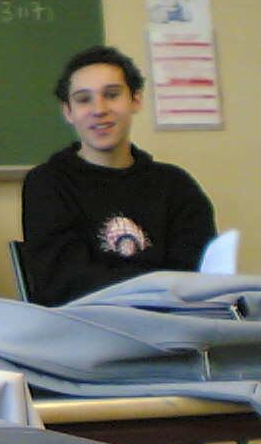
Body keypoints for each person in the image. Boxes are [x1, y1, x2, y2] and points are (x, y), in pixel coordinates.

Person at [22, 45, 217, 306]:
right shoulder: (48, 183)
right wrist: (155, 285)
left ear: (135, 100)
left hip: (169, 322)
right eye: (83, 99)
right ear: (68, 112)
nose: (99, 109)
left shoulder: (176, 185)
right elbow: (65, 282)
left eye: (112, 95)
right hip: (85, 323)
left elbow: (196, 277)